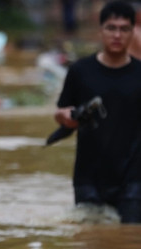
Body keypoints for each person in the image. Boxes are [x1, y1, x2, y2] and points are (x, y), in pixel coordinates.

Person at [54, 1, 141, 223]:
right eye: (111, 28)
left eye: (124, 29)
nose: (117, 35)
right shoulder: (80, 71)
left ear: (133, 31)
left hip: (134, 178)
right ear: (100, 30)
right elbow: (62, 112)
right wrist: (68, 118)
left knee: (130, 243)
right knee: (90, 246)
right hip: (89, 178)